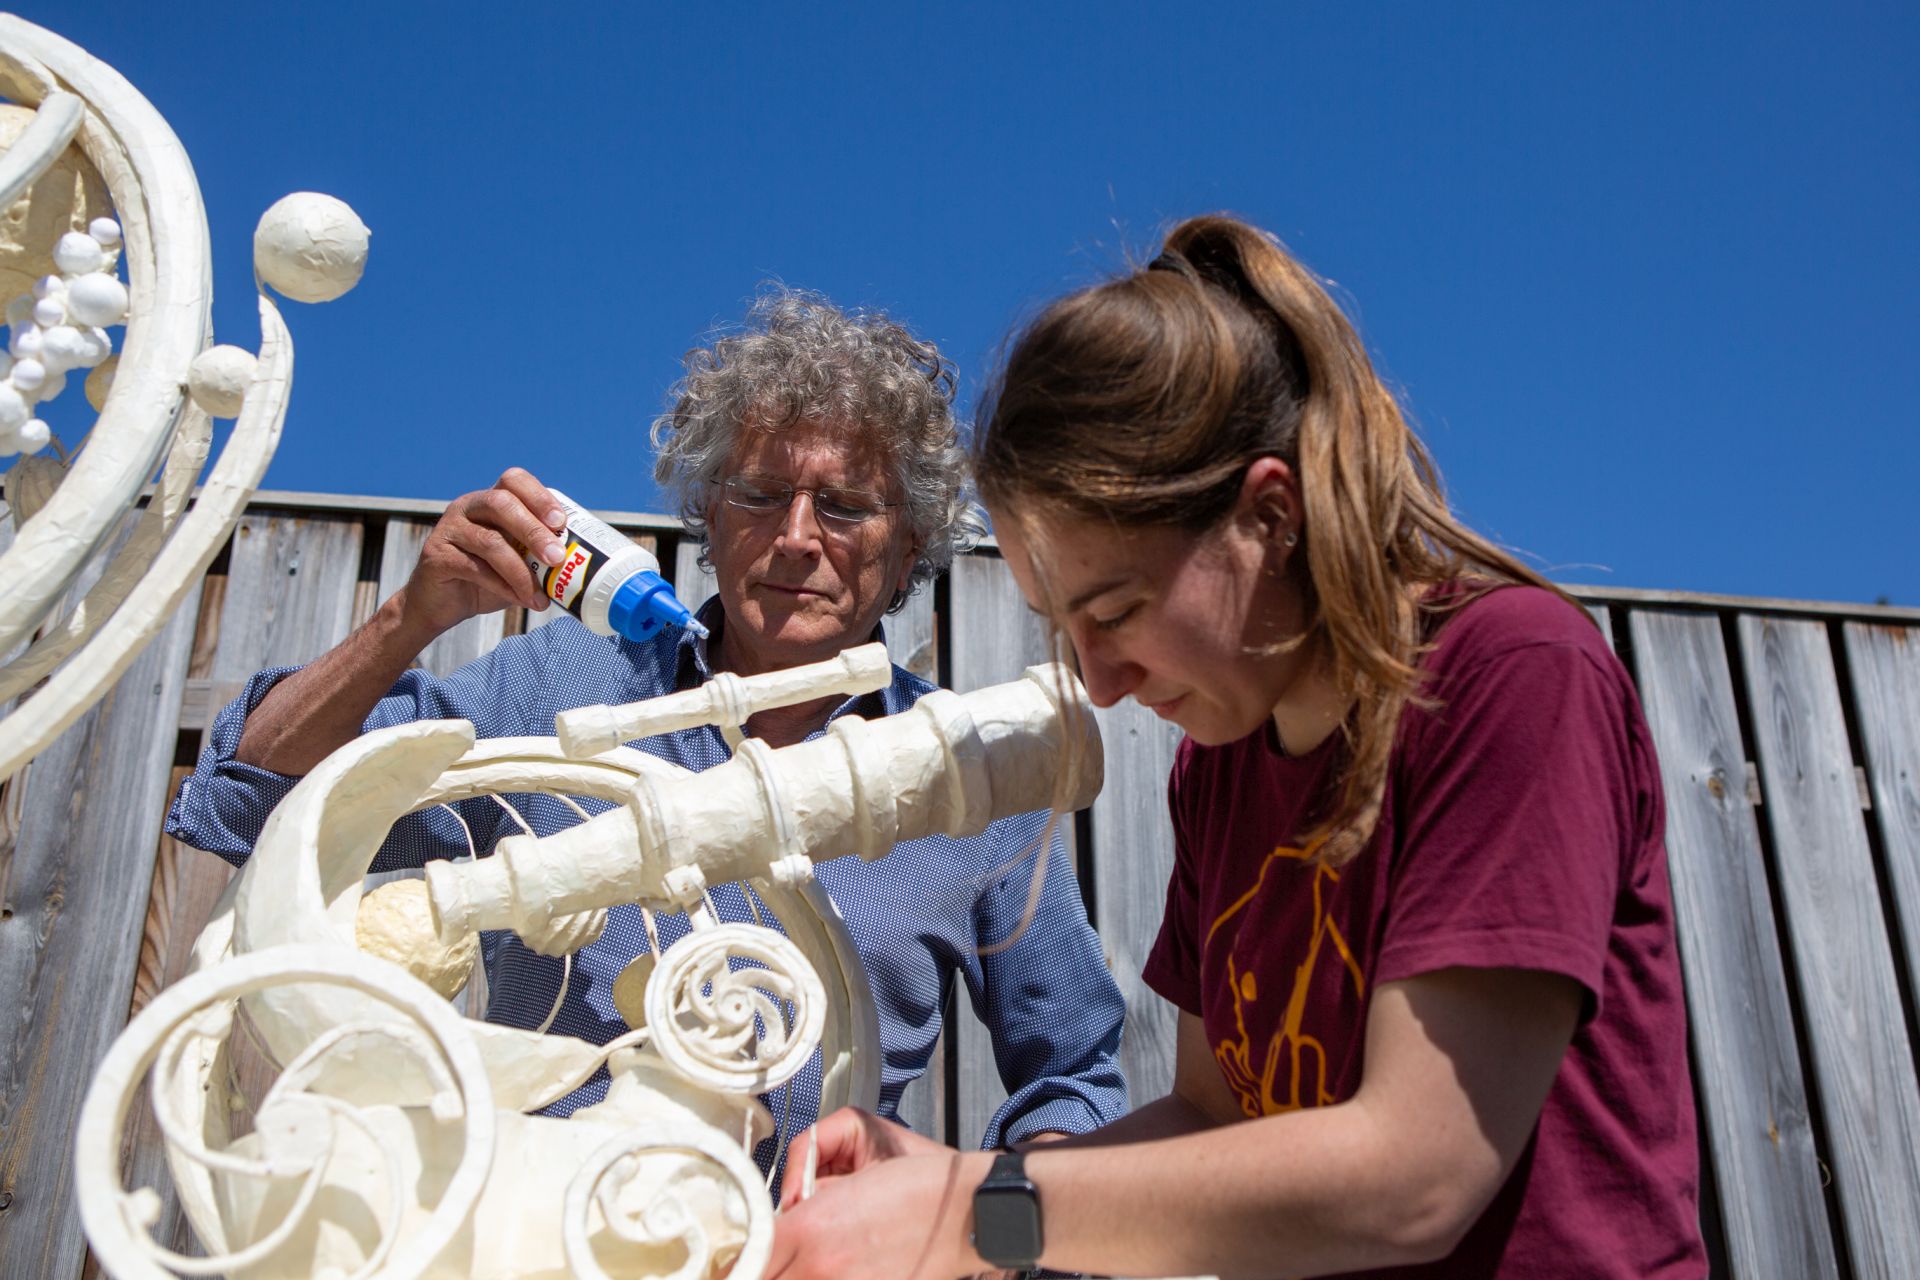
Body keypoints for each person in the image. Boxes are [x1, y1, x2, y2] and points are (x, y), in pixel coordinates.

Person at [769, 217, 1705, 1279]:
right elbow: (1210, 1117)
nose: (1099, 682)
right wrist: (956, 1177)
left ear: (1270, 514)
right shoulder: (1217, 769)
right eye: (1064, 628)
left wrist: (970, 1214)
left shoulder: (1513, 678)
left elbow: (1416, 1176)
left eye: (1115, 610)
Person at [165, 288, 1128, 1181]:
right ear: (707, 508)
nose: (798, 536)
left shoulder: (973, 782)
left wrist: (993, 1229)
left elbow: (1075, 1077)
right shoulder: (554, 683)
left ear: (909, 541)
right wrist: (406, 618)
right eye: (760, 493)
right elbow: (255, 804)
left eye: (844, 506)